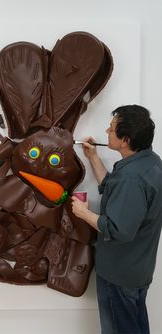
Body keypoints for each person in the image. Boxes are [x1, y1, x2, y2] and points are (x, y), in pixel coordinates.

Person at [71, 105, 162, 334]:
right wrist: (93, 157)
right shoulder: (149, 162)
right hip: (137, 271)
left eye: (111, 129)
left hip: (119, 277)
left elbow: (119, 229)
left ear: (125, 140)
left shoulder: (131, 178)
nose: (106, 131)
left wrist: (83, 213)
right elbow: (117, 192)